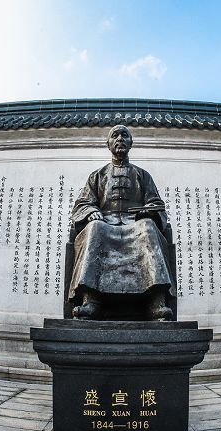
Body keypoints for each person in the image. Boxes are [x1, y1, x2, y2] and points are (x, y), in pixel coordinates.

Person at [69, 125, 174, 320]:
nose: (120, 139)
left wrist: (148, 213)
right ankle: (91, 299)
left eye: (124, 135)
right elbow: (83, 203)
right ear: (108, 144)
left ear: (131, 143)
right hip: (105, 223)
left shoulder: (142, 175)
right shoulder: (97, 175)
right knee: (95, 228)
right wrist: (92, 211)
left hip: (135, 224)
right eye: (115, 136)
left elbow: (156, 203)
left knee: (148, 228)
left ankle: (155, 300)